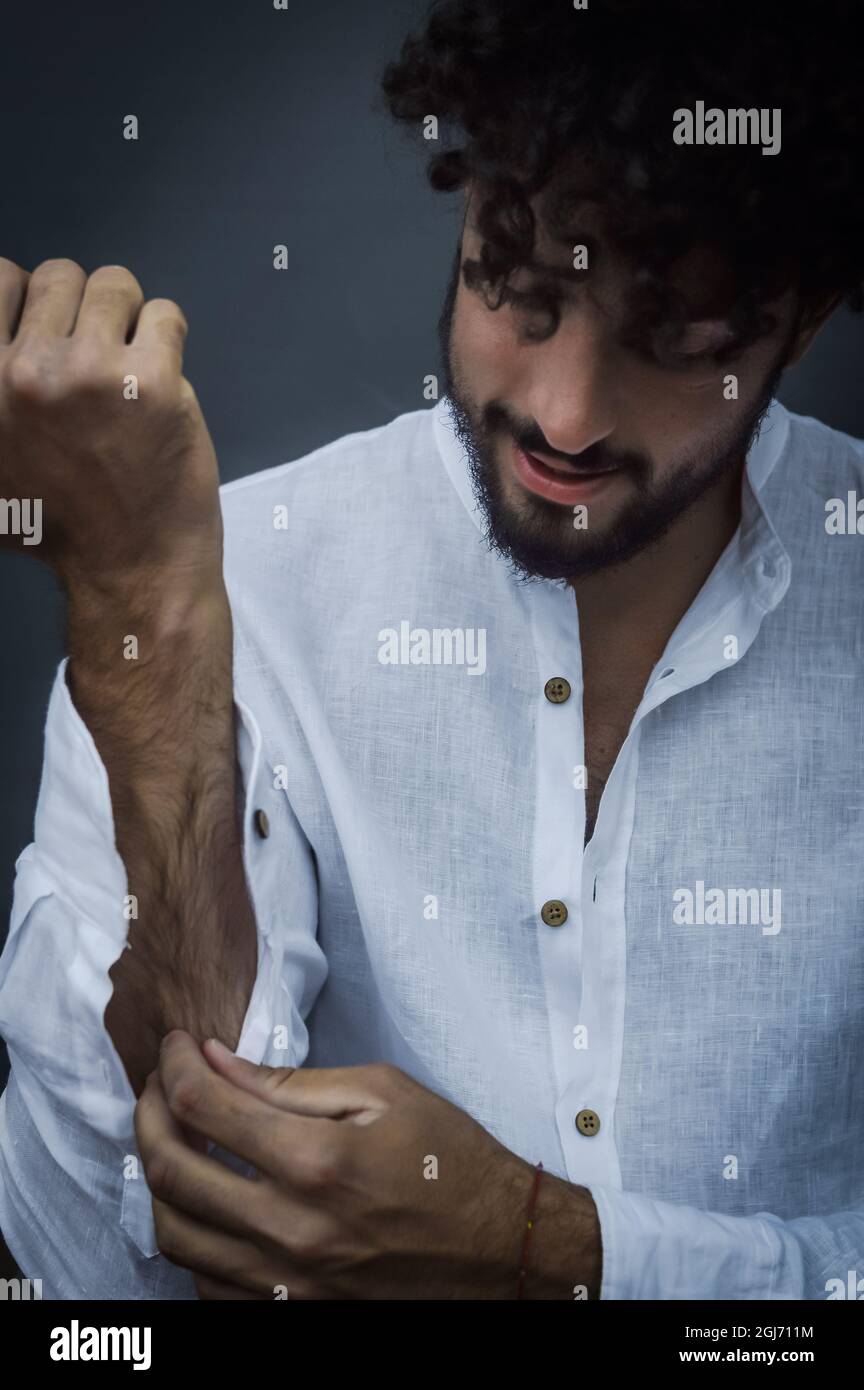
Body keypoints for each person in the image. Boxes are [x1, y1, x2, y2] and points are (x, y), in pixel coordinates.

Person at [0, 0, 862, 1300]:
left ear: (802, 323)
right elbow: (101, 1283)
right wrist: (139, 618)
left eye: (672, 340)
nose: (564, 415)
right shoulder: (229, 586)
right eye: (516, 288)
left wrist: (544, 1253)